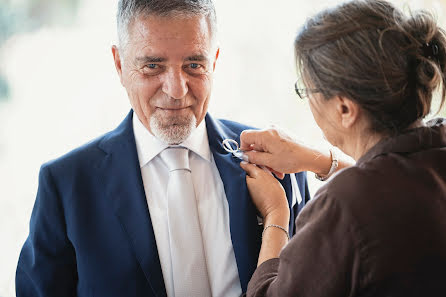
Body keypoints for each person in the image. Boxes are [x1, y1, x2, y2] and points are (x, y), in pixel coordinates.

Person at [15, 1, 312, 296]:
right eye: (152, 66)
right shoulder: (66, 185)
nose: (175, 90)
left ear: (215, 61)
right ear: (120, 64)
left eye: (194, 65)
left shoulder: (275, 161)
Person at [239, 0, 446, 296]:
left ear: (345, 109)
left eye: (307, 90)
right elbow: (395, 186)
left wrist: (275, 215)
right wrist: (320, 159)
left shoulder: (344, 206)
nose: (308, 100)